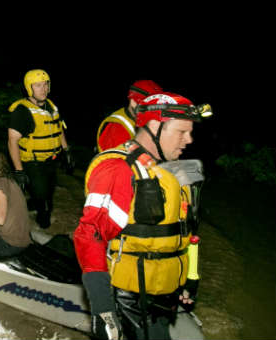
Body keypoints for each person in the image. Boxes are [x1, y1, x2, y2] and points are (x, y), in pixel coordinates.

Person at [73, 92, 207, 339]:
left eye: (190, 132)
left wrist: (189, 279)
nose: (189, 139)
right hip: (130, 301)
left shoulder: (169, 171)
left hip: (163, 296)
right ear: (155, 126)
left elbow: (186, 235)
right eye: (182, 132)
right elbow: (90, 235)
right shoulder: (118, 169)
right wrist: (103, 310)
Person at [7, 69, 73, 229]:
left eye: (45, 85)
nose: (43, 89)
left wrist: (67, 151)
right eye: (38, 85)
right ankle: (41, 216)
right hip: (32, 162)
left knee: (49, 192)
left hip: (51, 160)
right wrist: (19, 170)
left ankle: (35, 202)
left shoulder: (51, 106)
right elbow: (12, 141)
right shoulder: (22, 111)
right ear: (29, 88)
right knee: (43, 198)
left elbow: (59, 129)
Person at [96, 80, 163, 153]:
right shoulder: (117, 128)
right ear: (132, 101)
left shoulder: (139, 121)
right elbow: (120, 161)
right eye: (145, 107)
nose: (150, 112)